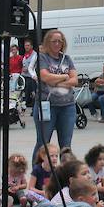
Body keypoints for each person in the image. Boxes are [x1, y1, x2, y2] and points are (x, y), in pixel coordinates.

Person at [31, 29, 78, 157]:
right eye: (54, 41)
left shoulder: (66, 59)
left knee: (66, 145)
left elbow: (75, 80)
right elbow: (45, 77)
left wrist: (56, 81)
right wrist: (64, 76)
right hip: (47, 105)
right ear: (47, 42)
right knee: (43, 143)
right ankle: (38, 174)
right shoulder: (42, 57)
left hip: (67, 106)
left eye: (60, 41)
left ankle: (65, 173)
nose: (57, 44)